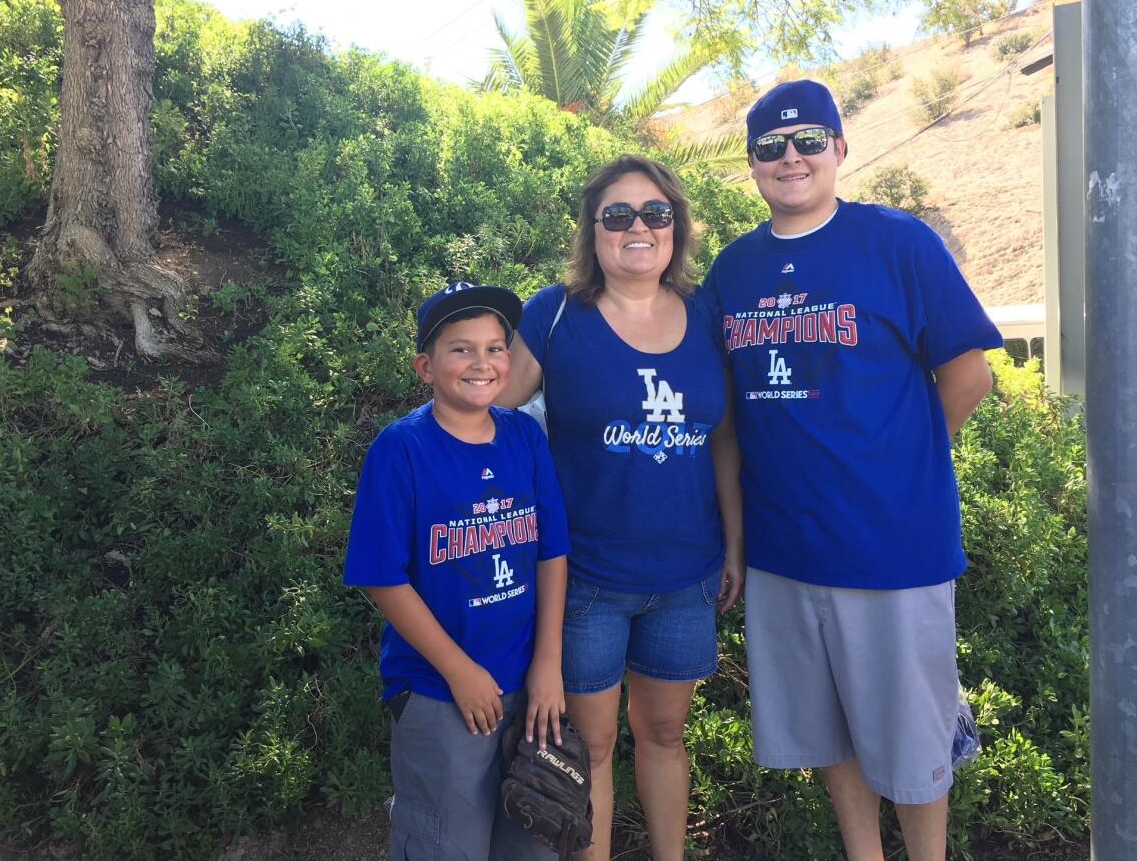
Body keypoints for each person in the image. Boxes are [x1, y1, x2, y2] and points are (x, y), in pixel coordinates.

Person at [703, 79, 1002, 861]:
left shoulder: (899, 244)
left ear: (840, 147)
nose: (790, 158)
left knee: (915, 745)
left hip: (893, 549)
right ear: (752, 164)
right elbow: (727, 422)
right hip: (783, 552)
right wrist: (735, 544)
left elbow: (969, 377)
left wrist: (900, 467)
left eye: (808, 140)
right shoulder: (731, 273)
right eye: (771, 147)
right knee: (830, 732)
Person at [498, 156, 744, 861]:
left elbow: (722, 435)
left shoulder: (709, 316)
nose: (639, 227)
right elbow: (485, 414)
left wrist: (735, 543)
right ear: (593, 230)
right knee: (593, 747)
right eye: (618, 215)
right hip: (587, 583)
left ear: (677, 227)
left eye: (655, 214)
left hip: (686, 580)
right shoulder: (553, 315)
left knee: (666, 737)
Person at [344, 282, 572, 861]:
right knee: (447, 845)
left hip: (527, 689)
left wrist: (548, 664)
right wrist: (459, 671)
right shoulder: (401, 449)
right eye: (461, 349)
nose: (483, 363)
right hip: (440, 692)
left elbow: (551, 552)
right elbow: (382, 576)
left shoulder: (524, 437)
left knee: (533, 844)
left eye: (496, 348)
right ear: (426, 365)